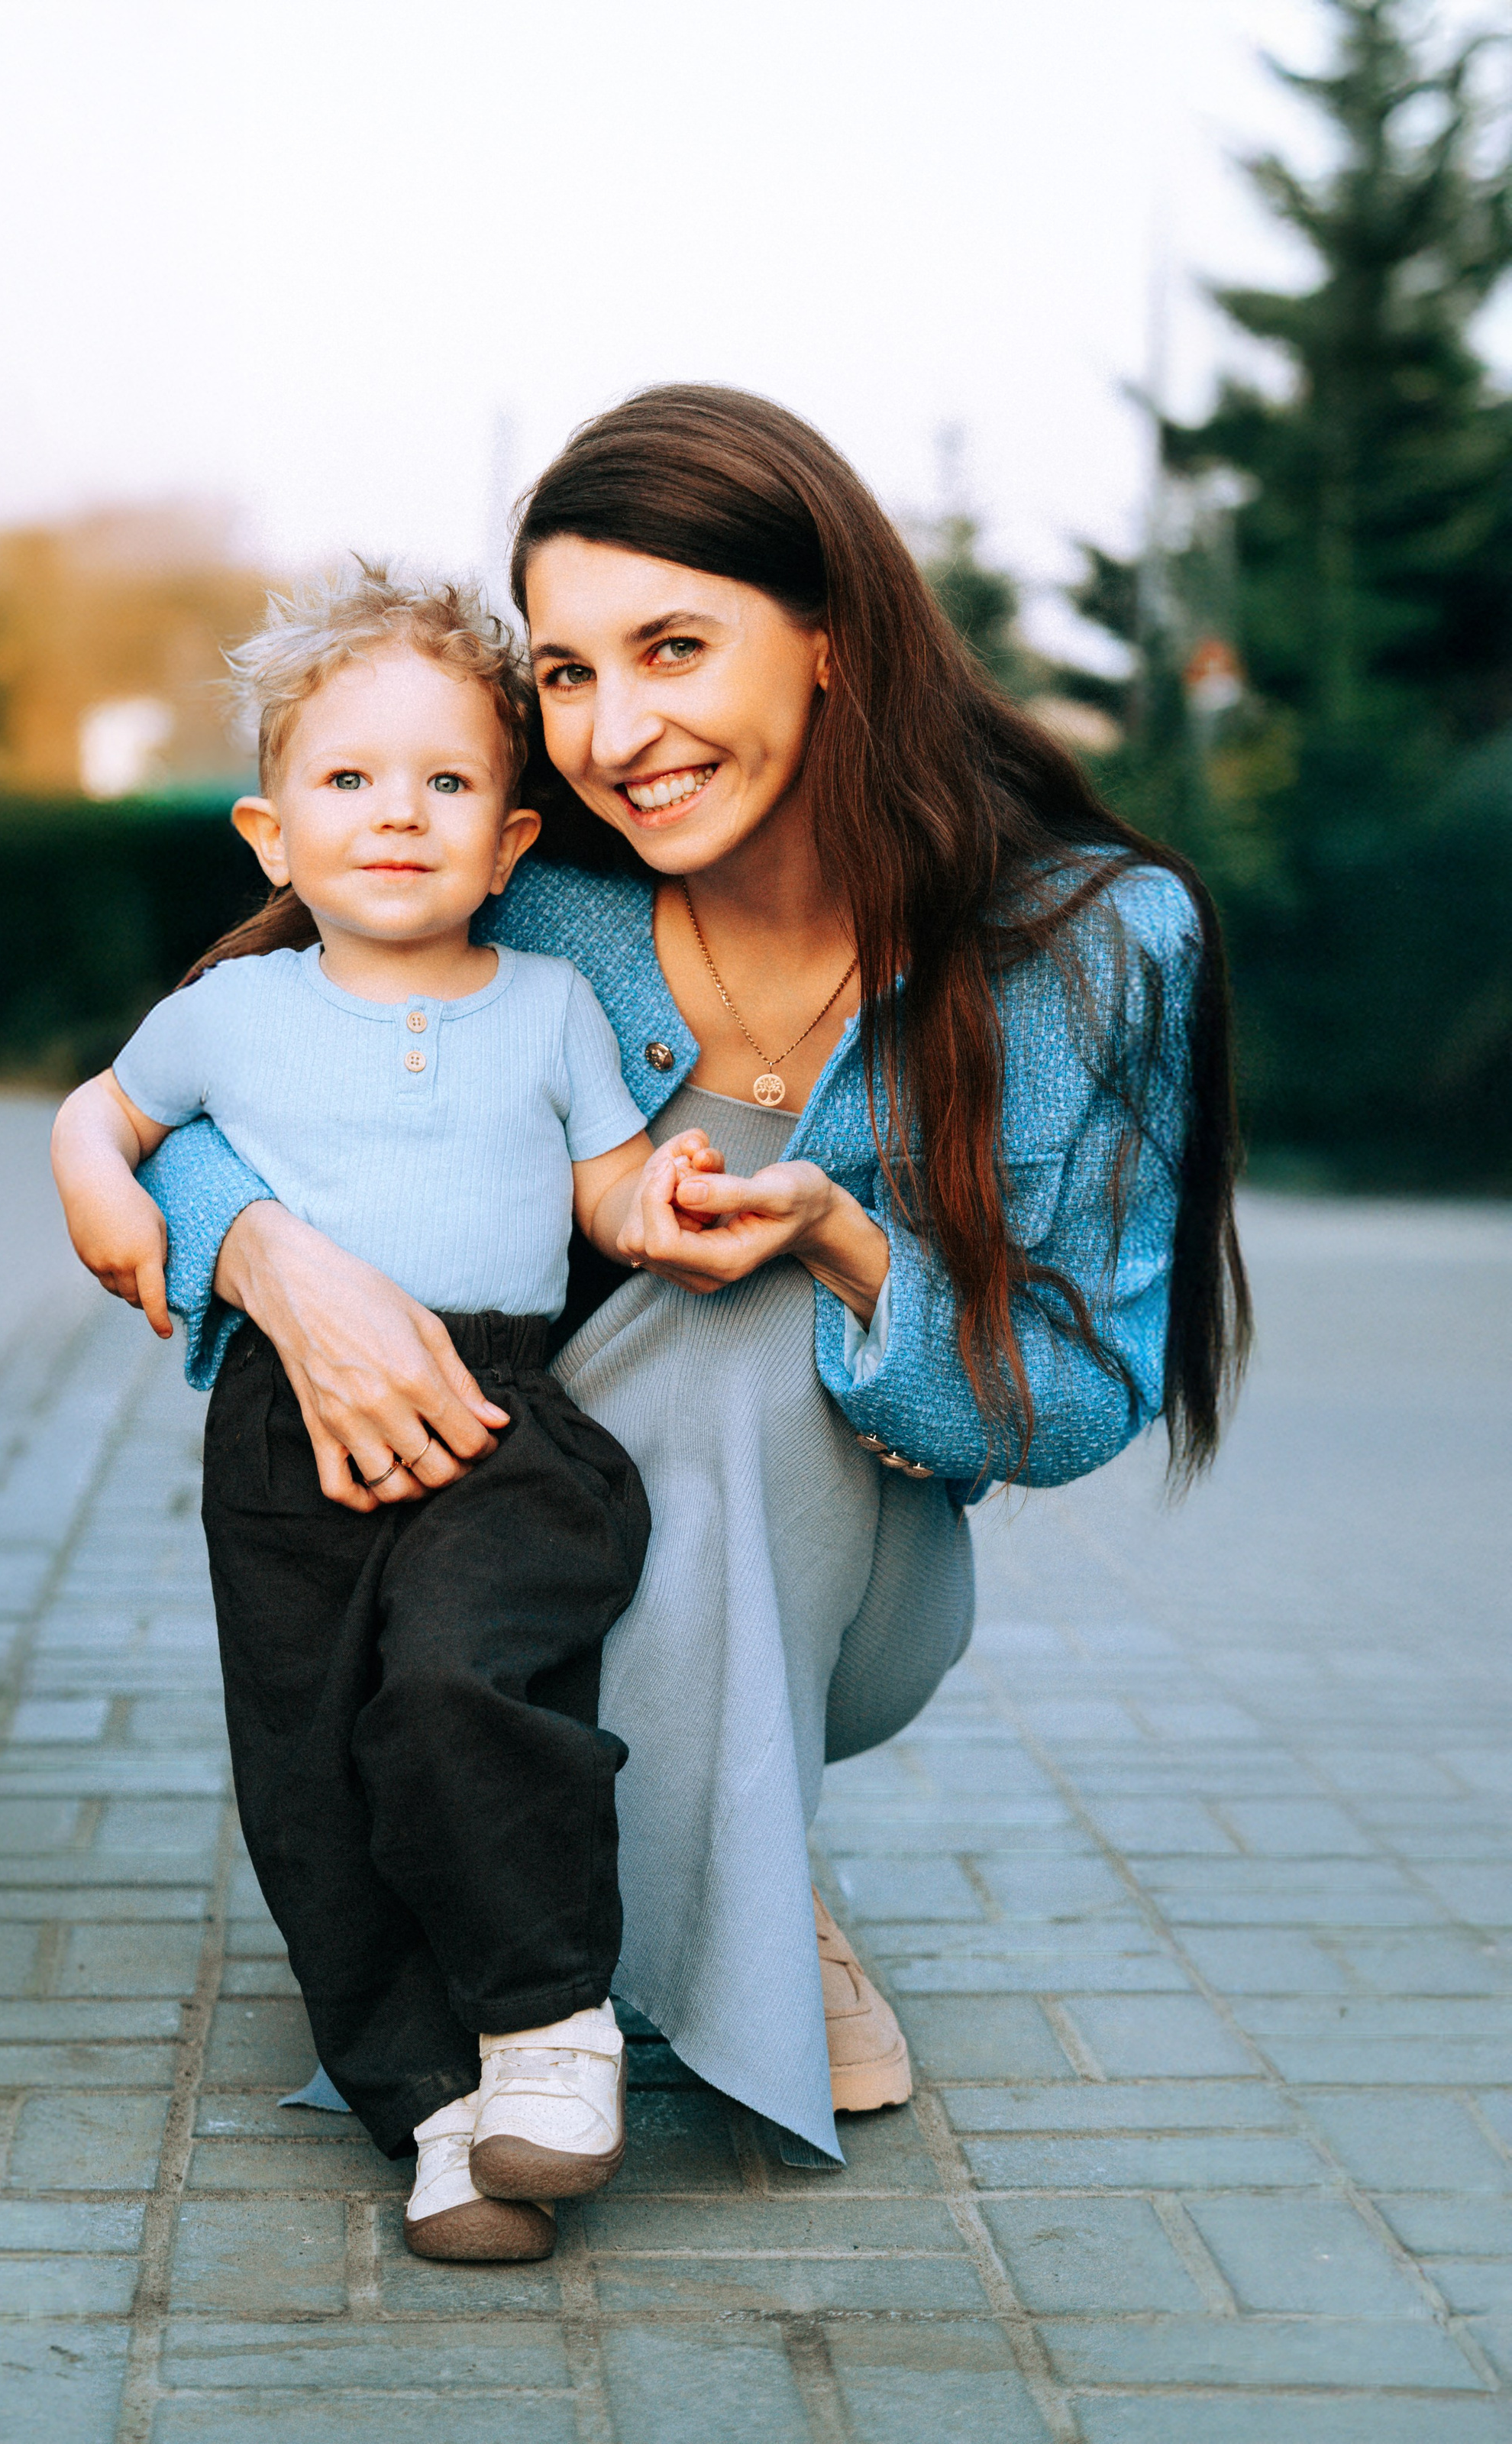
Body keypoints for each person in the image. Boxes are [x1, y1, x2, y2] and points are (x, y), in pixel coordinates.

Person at [141, 386, 1252, 2167]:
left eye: (673, 648)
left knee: (738, 1305)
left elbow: (1070, 1400)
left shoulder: (1089, 943)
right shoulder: (526, 899)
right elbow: (201, 1085)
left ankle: (663, 1910)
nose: (615, 731)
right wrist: (272, 1261)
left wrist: (841, 1239)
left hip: (844, 1592)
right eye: (566, 674)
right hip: (479, 1561)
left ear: (827, 639)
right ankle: (708, 1894)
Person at [51, 567, 719, 2260]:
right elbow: (102, 1114)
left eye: (446, 781)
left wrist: (670, 1201)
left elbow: (610, 1190)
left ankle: (548, 2027)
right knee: (308, 1780)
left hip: (505, 1423)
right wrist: (98, 1184)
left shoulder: (550, 1007)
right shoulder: (228, 1016)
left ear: (509, 844)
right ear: (271, 836)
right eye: (349, 778)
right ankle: (430, 2111)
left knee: (454, 1688)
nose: (399, 813)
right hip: (283, 1441)